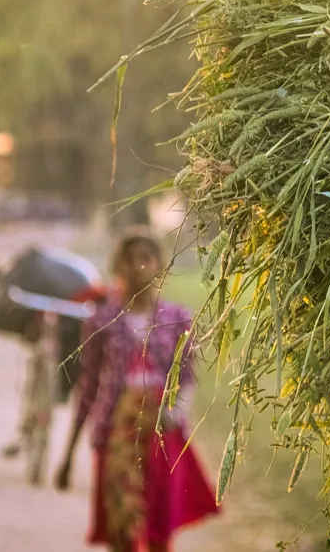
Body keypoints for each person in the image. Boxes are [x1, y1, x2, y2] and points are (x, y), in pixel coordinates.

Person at [56, 230, 219, 552]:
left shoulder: (177, 320)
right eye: (129, 260)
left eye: (145, 259)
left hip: (160, 434)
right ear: (119, 266)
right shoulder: (102, 321)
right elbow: (89, 386)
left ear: (160, 265)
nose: (137, 267)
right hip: (115, 436)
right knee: (121, 528)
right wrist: (68, 454)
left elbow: (185, 377)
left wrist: (174, 411)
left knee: (159, 530)